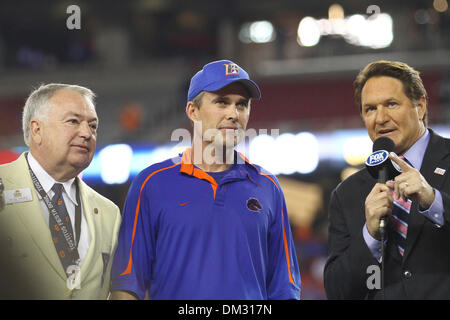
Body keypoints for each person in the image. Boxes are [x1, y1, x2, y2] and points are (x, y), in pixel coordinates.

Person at [111, 60, 301, 300]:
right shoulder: (151, 183)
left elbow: (285, 287)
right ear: (192, 111)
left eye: (242, 105)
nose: (234, 114)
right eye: (222, 102)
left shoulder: (267, 186)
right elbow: (127, 283)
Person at [324, 60, 450, 299]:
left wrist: (434, 202)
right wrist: (369, 237)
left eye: (391, 104)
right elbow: (337, 291)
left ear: (420, 106)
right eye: (370, 109)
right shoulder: (347, 194)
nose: (380, 118)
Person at [0, 83, 121, 299]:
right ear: (37, 130)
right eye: (73, 121)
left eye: (93, 126)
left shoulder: (108, 213)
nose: (86, 133)